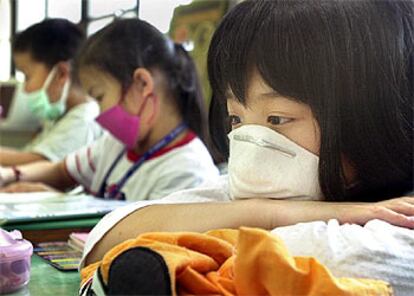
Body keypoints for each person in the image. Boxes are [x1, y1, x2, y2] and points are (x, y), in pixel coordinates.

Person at [76, 0, 414, 294]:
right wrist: (266, 213)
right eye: (236, 119)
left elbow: (319, 258)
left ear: (377, 114)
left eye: (278, 119)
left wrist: (206, 232)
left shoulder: (399, 229)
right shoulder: (275, 195)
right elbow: (105, 237)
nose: (252, 143)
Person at [0, 19, 219, 200]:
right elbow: (60, 170)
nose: (98, 113)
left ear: (142, 84)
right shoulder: (114, 146)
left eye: (100, 97)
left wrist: (60, 200)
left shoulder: (187, 173)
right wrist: (11, 175)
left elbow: (136, 238)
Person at [0, 19, 102, 166]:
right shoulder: (60, 117)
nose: (25, 88)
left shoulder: (84, 121)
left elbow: (37, 164)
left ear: (61, 73)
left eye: (27, 76)